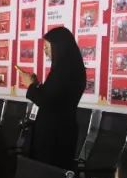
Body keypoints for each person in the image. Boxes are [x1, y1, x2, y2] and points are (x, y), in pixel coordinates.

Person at [17, 26, 85, 169]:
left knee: (48, 173)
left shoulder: (63, 70)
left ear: (59, 47)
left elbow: (46, 101)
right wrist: (36, 85)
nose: (45, 51)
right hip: (61, 129)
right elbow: (54, 96)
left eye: (47, 47)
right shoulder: (72, 67)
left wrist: (30, 85)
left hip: (54, 133)